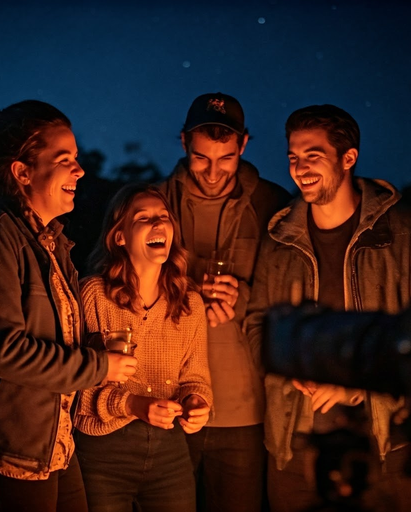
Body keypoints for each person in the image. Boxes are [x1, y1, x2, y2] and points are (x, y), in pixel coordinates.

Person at [0, 99, 137, 512]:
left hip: (52, 444)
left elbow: (51, 334)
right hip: (3, 454)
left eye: (77, 159)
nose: (79, 171)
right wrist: (99, 366)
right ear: (22, 172)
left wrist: (94, 346)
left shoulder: (51, 242)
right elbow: (4, 351)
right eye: (65, 160)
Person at [244, 104, 411, 512]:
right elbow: (257, 324)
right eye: (293, 157)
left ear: (348, 157)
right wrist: (288, 366)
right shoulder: (279, 239)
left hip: (387, 448)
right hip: (294, 448)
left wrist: (357, 385)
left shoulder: (404, 233)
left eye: (312, 155)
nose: (299, 168)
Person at [159, 92, 292, 512]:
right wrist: (178, 287)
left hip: (243, 411)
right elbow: (109, 284)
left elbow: (296, 297)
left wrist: (244, 297)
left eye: (226, 159)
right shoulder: (153, 202)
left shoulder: (274, 206)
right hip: (168, 405)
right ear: (183, 143)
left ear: (245, 146)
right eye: (201, 158)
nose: (213, 172)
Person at [73, 182, 213, 512]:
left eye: (163, 216)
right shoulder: (93, 295)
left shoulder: (189, 303)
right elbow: (73, 384)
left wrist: (197, 402)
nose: (157, 223)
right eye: (143, 218)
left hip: (170, 453)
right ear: (119, 236)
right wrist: (132, 404)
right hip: (103, 451)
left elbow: (196, 378)